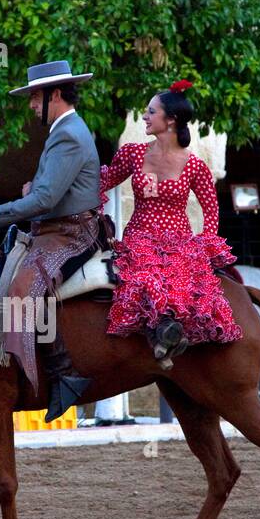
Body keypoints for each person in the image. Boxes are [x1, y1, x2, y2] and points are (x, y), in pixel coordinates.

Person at [0, 60, 101, 421]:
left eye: (36, 97)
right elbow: (50, 189)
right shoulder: (64, 130)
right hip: (55, 227)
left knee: (24, 286)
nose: (32, 105)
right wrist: (36, 189)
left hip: (71, 232)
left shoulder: (68, 133)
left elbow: (46, 201)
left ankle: (65, 374)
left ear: (56, 95)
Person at [97, 80, 242, 364]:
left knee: (188, 289)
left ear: (171, 120)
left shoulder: (195, 166)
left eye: (151, 112)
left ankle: (175, 342)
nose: (144, 117)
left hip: (180, 243)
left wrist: (206, 245)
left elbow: (211, 209)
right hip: (139, 240)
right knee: (143, 280)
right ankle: (156, 342)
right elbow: (103, 182)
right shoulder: (133, 153)